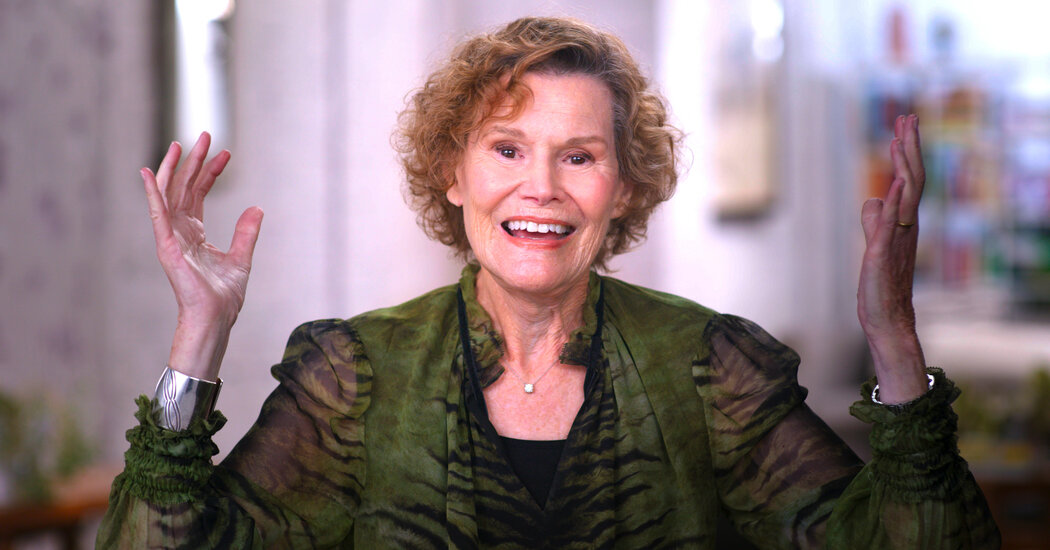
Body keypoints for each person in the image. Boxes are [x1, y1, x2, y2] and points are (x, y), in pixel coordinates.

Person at [97, 16, 1000, 549]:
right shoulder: (355, 374)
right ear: (453, 174)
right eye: (507, 149)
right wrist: (200, 334)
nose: (541, 187)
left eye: (579, 155)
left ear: (623, 188)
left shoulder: (707, 366)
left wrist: (894, 338)